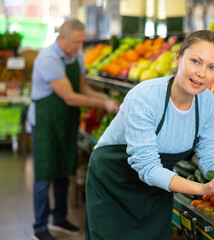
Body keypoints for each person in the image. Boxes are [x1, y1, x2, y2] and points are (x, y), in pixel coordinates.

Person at [85, 30, 214, 240]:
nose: (201, 73)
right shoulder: (144, 97)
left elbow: (210, 160)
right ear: (178, 58)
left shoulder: (207, 102)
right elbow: (147, 167)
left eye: (211, 67)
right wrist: (202, 188)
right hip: (113, 182)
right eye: (195, 61)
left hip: (157, 188)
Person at [28, 18, 119, 240]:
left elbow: (82, 87)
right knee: (44, 175)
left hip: (66, 121)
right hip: (45, 123)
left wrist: (104, 96)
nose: (80, 47)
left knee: (63, 171)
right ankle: (40, 226)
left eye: (82, 42)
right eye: (76, 42)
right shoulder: (48, 59)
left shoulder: (76, 54)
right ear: (62, 38)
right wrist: (104, 104)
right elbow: (69, 96)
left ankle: (59, 218)